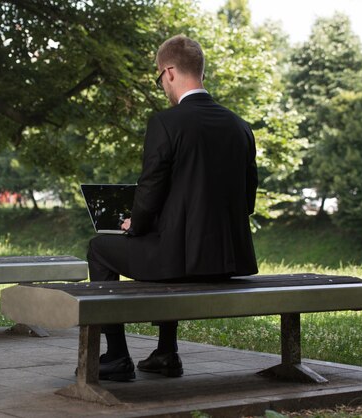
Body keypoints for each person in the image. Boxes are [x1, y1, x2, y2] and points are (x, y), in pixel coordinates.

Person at [86, 35, 259, 381]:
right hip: (228, 263)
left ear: (168, 72)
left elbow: (149, 191)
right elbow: (247, 201)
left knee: (99, 248)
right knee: (165, 236)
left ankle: (117, 355)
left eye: (158, 78)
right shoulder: (241, 128)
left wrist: (134, 225)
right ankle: (165, 353)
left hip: (180, 262)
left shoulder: (166, 123)